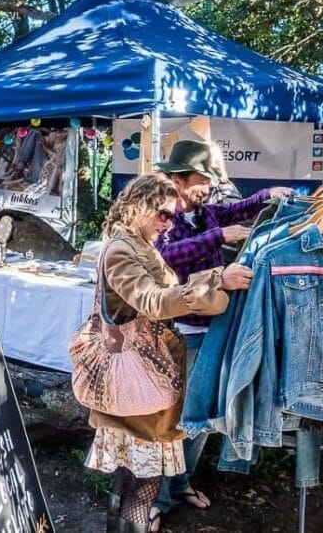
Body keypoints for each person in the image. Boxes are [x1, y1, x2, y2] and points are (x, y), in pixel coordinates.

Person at [83, 173, 251, 532]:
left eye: (172, 215)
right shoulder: (122, 250)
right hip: (137, 375)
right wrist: (216, 279)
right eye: (164, 214)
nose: (169, 223)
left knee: (130, 473)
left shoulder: (136, 243)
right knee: (144, 479)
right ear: (141, 206)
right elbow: (153, 301)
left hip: (140, 372)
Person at [151, 139, 292, 516]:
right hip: (180, 332)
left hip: (212, 328)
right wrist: (220, 241)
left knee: (203, 413)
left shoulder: (205, 213)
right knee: (174, 417)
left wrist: (267, 195)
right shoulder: (162, 218)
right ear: (179, 181)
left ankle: (180, 484)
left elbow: (236, 210)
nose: (209, 187)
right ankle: (157, 499)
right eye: (202, 180)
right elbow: (166, 258)